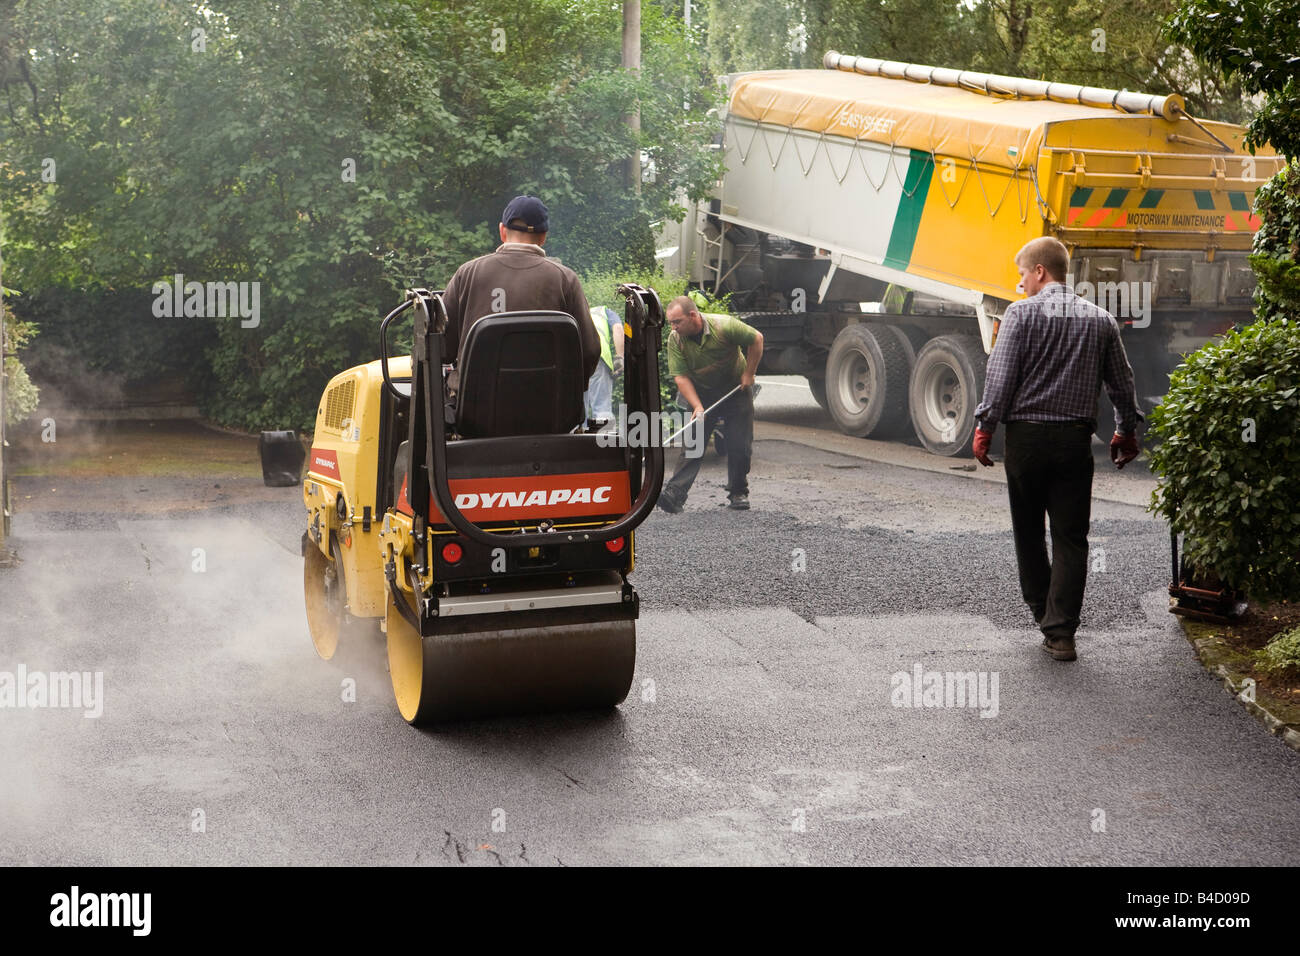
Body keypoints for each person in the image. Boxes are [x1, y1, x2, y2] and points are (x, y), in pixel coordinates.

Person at [972, 236, 1142, 662]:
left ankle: (1041, 610)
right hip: (1073, 443)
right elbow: (1122, 381)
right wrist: (1125, 431)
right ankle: (1061, 631)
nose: (1021, 284)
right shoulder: (1100, 320)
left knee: (1029, 532)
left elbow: (1001, 376)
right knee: (1071, 537)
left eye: (1023, 275)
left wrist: (984, 426)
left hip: (1026, 441)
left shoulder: (1020, 315)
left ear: (1041, 272)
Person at [440, 195, 599, 382]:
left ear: (502, 231)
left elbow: (442, 349)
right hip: (549, 405)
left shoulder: (467, 273)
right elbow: (589, 352)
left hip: (476, 407)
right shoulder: (566, 280)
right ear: (543, 237)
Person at [657, 297, 764, 512]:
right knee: (693, 445)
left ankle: (738, 492)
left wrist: (749, 373)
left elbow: (757, 339)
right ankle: (674, 495)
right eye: (671, 323)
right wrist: (696, 405)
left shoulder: (724, 326)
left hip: (736, 390)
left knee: (739, 445)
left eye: (677, 321)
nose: (673, 327)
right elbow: (681, 377)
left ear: (693, 316)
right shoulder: (675, 339)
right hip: (702, 393)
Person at [583, 305, 625, 424]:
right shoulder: (605, 311)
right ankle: (604, 440)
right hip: (597, 357)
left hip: (576, 359)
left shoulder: (577, 312)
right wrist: (620, 357)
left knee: (578, 413)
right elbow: (618, 328)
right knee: (602, 409)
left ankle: (578, 439)